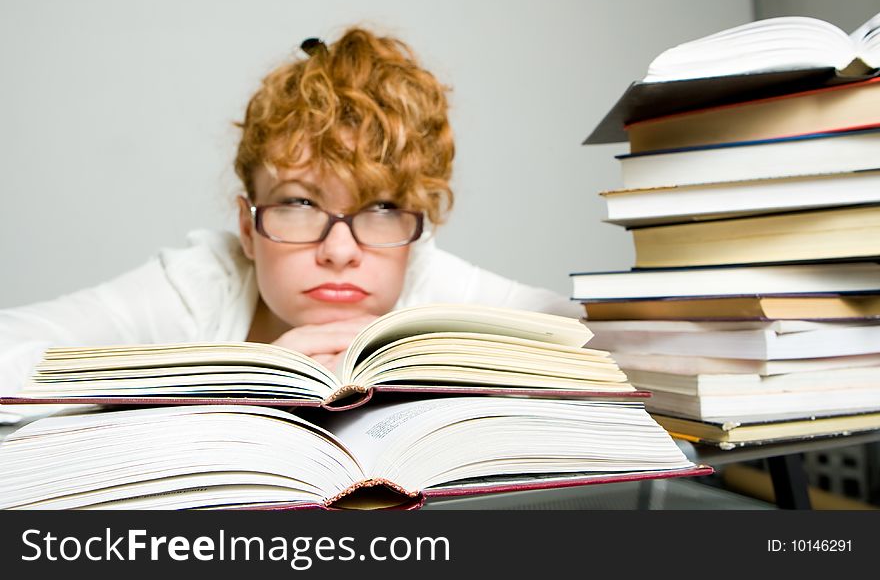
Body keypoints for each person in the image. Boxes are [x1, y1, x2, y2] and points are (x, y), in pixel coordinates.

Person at [0, 26, 578, 403]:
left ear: (415, 224)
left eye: (380, 207)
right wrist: (237, 377)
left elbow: (609, 346)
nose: (341, 250)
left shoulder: (428, 279)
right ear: (248, 227)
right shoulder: (203, 288)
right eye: (301, 203)